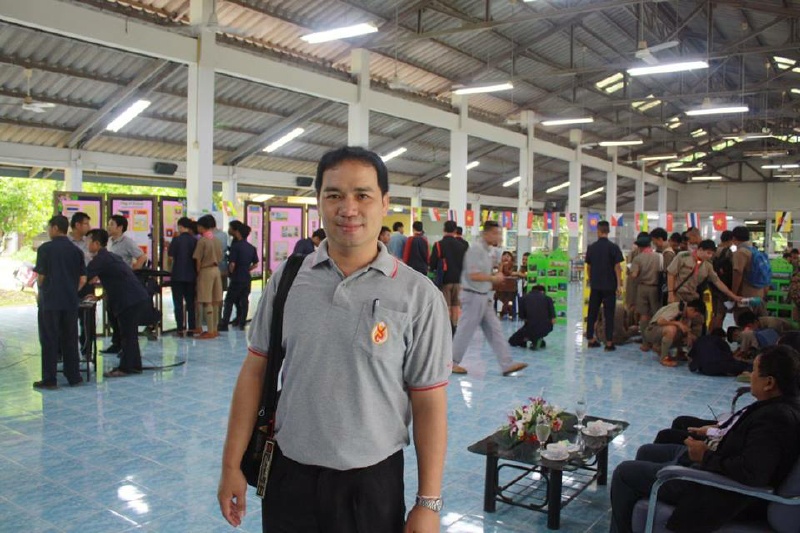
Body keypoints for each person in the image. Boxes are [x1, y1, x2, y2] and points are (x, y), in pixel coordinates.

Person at [217, 146, 451, 532]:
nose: (348, 208)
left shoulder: (418, 295)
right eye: (334, 195)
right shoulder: (288, 279)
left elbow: (428, 402)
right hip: (289, 478)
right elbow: (255, 372)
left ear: (384, 202)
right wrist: (231, 466)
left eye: (362, 195)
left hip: (371, 484)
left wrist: (428, 503)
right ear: (319, 201)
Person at [609, 344, 800, 533]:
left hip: (719, 490)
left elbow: (752, 473)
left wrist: (705, 456)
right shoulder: (779, 407)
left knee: (624, 473)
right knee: (647, 451)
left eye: (755, 371)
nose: (750, 376)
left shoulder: (776, 419)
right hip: (717, 464)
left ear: (769, 383)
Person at [451, 221, 528, 376]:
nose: (498, 237)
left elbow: (491, 270)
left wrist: (497, 272)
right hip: (472, 296)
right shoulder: (476, 250)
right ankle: (451, 363)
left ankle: (506, 364)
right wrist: (493, 278)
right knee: (465, 331)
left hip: (483, 296)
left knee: (495, 330)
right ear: (486, 233)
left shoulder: (489, 251)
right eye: (495, 233)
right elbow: (473, 275)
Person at [85, 229, 150, 377]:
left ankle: (126, 368)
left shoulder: (101, 259)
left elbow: (84, 277)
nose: (86, 244)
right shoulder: (109, 257)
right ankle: (134, 365)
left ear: (96, 243)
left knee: (127, 334)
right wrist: (99, 297)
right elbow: (116, 280)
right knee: (129, 333)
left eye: (88, 241)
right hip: (134, 297)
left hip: (130, 299)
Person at [33, 215, 86, 389]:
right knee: (70, 337)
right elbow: (83, 279)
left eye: (49, 228)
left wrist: (41, 290)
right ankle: (74, 376)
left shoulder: (45, 249)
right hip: (70, 301)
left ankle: (50, 379)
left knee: (49, 339)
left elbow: (41, 276)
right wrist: (72, 291)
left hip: (50, 301)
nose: (49, 231)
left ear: (55, 228)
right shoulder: (76, 251)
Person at [102, 214, 146, 354]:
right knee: (111, 314)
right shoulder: (109, 241)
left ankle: (125, 346)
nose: (108, 226)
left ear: (120, 227)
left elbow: (142, 256)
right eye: (108, 223)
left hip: (123, 285)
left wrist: (132, 272)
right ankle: (116, 343)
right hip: (111, 284)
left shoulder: (127, 242)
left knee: (122, 316)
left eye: (112, 224)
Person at [585, 220, 624, 352]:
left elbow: (588, 267)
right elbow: (617, 267)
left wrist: (591, 280)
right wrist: (619, 285)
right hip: (609, 286)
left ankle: (590, 339)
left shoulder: (591, 247)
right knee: (609, 314)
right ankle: (609, 343)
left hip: (596, 286)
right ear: (608, 231)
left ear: (598, 231)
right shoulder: (614, 247)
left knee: (592, 312)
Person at [667, 239, 739, 305]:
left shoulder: (708, 265)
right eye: (708, 253)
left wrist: (733, 296)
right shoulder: (683, 256)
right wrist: (670, 294)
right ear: (700, 249)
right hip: (677, 294)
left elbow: (717, 282)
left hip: (692, 297)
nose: (710, 256)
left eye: (712, 254)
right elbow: (671, 274)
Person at [429, 220, 468, 336]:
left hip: (445, 280)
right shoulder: (462, 246)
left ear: (444, 229)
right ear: (455, 231)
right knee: (456, 305)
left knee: (446, 305)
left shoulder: (438, 245)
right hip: (459, 281)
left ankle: (446, 329)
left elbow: (432, 263)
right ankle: (454, 327)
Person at [642, 299, 706, 367]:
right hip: (652, 331)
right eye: (696, 315)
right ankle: (664, 358)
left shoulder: (687, 314)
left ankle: (676, 352)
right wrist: (678, 323)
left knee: (691, 337)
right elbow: (660, 321)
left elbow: (685, 330)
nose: (695, 317)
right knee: (671, 329)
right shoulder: (676, 308)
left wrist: (689, 336)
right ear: (692, 310)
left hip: (661, 331)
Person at [220, 222, 259, 331]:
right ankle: (242, 322)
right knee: (244, 300)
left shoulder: (236, 247)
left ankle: (224, 323)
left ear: (237, 232)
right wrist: (247, 269)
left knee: (229, 300)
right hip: (246, 277)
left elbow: (232, 264)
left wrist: (231, 272)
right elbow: (256, 264)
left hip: (237, 277)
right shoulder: (251, 248)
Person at [630, 234, 662, 352]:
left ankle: (645, 343)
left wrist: (630, 272)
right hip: (655, 288)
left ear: (639, 247)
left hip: (642, 288)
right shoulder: (659, 257)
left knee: (644, 316)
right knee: (656, 316)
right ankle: (656, 342)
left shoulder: (638, 258)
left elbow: (634, 275)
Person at [194, 214, 223, 339]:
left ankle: (209, 330)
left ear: (201, 227)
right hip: (216, 270)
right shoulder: (216, 240)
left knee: (206, 300)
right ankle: (215, 329)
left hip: (206, 270)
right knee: (216, 300)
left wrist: (198, 272)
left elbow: (197, 259)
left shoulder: (202, 241)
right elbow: (221, 257)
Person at [168, 216, 197, 337]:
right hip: (191, 276)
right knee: (191, 303)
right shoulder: (195, 240)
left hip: (177, 275)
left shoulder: (176, 240)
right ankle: (192, 328)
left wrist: (169, 269)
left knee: (178, 303)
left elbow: (170, 257)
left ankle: (180, 329)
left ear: (180, 226)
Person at [731, 225, 767, 321]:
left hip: (745, 295)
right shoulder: (755, 251)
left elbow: (738, 273)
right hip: (759, 294)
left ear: (734, 238)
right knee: (756, 322)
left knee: (743, 321)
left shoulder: (741, 252)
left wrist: (733, 294)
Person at [508, 285, 555, 350]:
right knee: (537, 331)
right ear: (542, 291)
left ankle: (528, 339)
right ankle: (537, 338)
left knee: (512, 341)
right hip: (545, 328)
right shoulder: (548, 299)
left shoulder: (523, 298)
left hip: (530, 327)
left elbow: (522, 317)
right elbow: (553, 320)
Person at [710, 230, 734, 331]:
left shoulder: (713, 250)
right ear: (731, 240)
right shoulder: (728, 252)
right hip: (723, 285)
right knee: (721, 313)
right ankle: (716, 333)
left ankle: (710, 332)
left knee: (714, 312)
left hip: (712, 284)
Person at [495, 251, 520, 319]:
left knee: (509, 299)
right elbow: (500, 273)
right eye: (504, 256)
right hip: (501, 288)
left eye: (508, 256)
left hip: (511, 288)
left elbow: (509, 273)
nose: (506, 257)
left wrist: (505, 266)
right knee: (507, 301)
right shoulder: (500, 265)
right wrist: (502, 265)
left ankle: (502, 313)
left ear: (511, 258)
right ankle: (509, 312)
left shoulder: (514, 266)